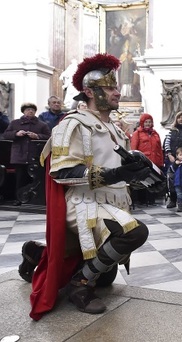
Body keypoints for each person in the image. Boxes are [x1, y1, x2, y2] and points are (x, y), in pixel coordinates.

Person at [19, 53, 157, 320]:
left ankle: (36, 254)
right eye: (111, 87)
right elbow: (61, 171)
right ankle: (79, 285)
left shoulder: (115, 129)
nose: (118, 92)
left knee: (106, 279)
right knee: (135, 233)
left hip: (111, 202)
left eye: (116, 87)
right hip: (83, 202)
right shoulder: (73, 124)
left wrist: (143, 177)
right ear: (89, 91)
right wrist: (116, 173)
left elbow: (121, 173)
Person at [3, 103, 51, 206]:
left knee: (34, 178)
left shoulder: (41, 124)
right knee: (20, 178)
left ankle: (32, 199)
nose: (30, 111)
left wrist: (37, 136)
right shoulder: (15, 123)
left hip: (34, 155)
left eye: (33, 110)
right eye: (28, 109)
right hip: (19, 155)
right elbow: (6, 134)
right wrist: (16, 133)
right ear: (24, 111)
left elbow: (49, 137)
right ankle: (18, 198)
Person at [131, 113, 164, 205]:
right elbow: (134, 149)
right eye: (146, 122)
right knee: (143, 181)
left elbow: (159, 149)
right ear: (142, 123)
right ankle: (142, 201)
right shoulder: (137, 133)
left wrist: (161, 162)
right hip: (143, 161)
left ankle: (151, 200)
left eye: (150, 122)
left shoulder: (155, 134)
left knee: (153, 180)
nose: (148, 124)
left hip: (154, 161)